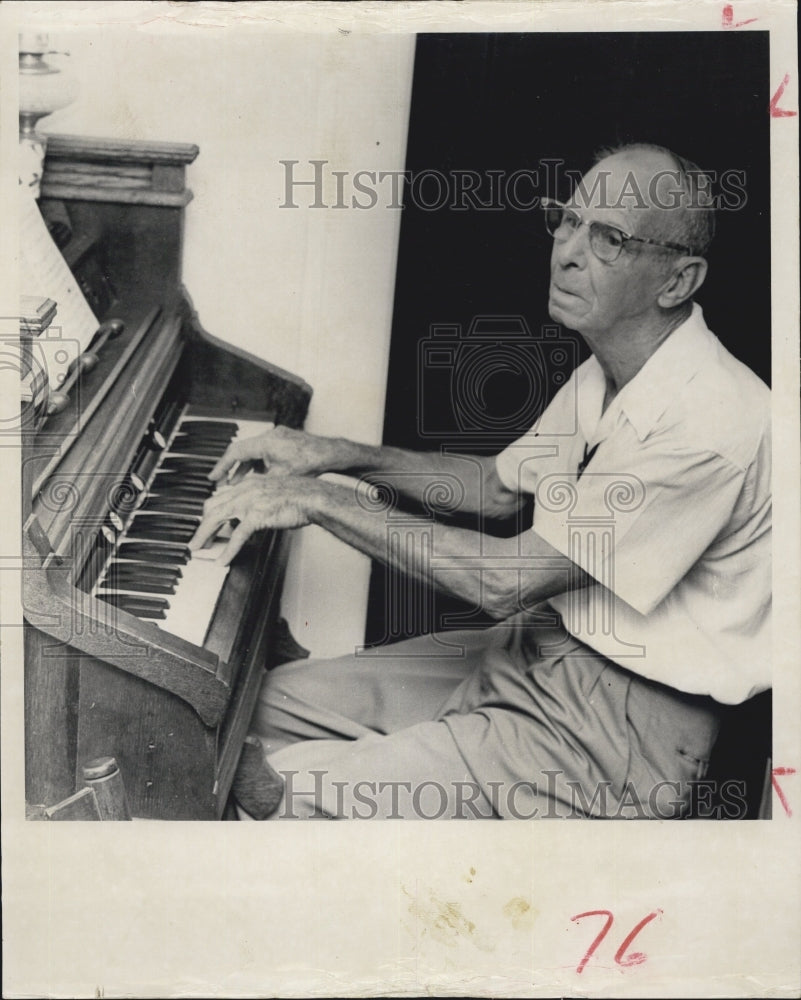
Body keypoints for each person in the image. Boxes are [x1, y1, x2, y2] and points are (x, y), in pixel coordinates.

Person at [190, 142, 771, 820]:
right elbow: (494, 488)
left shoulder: (709, 422)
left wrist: (312, 500)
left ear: (676, 281)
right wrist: (328, 455)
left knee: (288, 800)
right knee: (241, 713)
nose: (567, 251)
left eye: (608, 238)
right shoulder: (611, 368)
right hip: (532, 648)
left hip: (617, 732)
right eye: (567, 220)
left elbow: (503, 581)